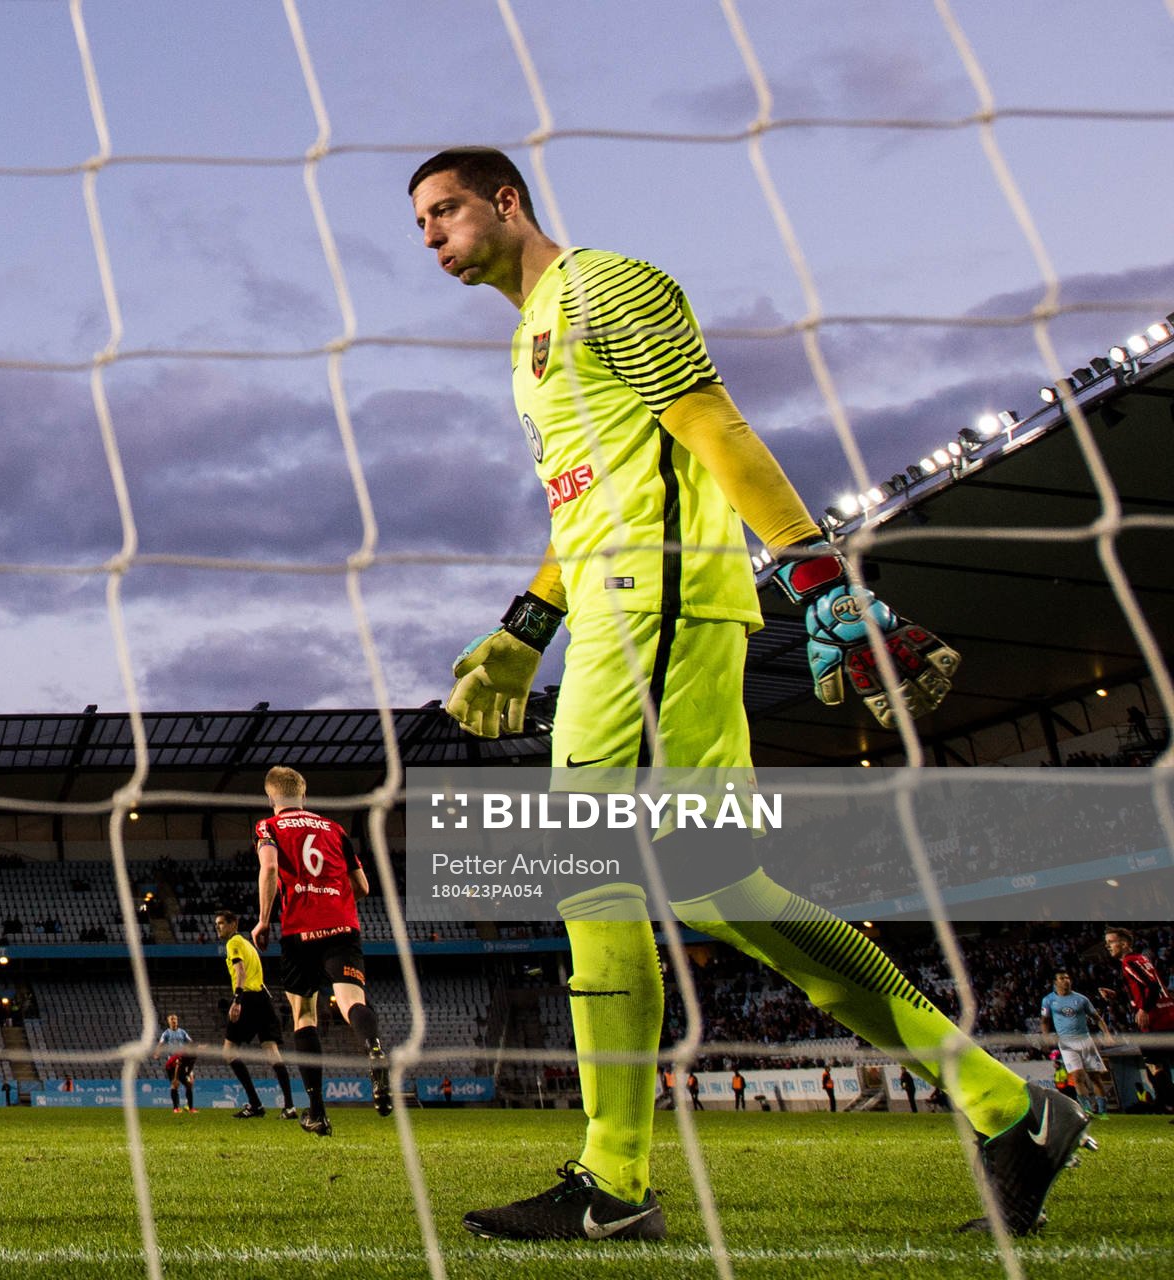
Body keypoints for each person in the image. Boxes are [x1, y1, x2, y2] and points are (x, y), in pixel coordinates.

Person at [410, 146, 1088, 1242]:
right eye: (421, 227)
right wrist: (521, 631)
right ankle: (1010, 1105)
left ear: (507, 200)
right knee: (724, 886)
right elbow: (584, 511)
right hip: (618, 609)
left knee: (590, 874)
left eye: (445, 212)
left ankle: (614, 1177)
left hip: (658, 604)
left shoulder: (607, 284)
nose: (433, 238)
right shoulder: (527, 348)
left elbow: (713, 423)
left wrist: (817, 575)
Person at [252, 765, 390, 1138]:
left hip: (299, 930)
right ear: (304, 795)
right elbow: (361, 885)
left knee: (304, 1015)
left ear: (271, 797)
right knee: (351, 1003)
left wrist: (264, 920)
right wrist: (335, 899)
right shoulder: (335, 829)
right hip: (342, 927)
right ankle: (374, 1048)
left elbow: (268, 868)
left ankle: (317, 1112)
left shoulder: (269, 827)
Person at [213, 910, 297, 1120]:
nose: (218, 928)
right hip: (263, 998)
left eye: (221, 923)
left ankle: (256, 1104)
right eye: (217, 924)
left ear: (234, 924)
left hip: (248, 998)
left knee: (229, 1052)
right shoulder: (248, 944)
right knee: (272, 1052)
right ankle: (289, 1107)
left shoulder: (233, 943)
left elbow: (240, 971)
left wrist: (237, 1000)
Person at [1100, 925, 1174, 1112]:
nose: (1108, 946)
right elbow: (1147, 987)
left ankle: (1167, 1105)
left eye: (1111, 942)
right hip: (1168, 1014)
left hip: (1155, 1021)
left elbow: (1151, 986)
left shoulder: (1129, 962)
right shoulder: (1142, 959)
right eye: (1107, 943)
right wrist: (1118, 995)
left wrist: (1144, 1010)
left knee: (1154, 1066)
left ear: (1124, 944)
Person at [1042, 971, 1113, 1116]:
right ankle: (1086, 1111)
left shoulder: (1081, 999)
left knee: (1095, 1077)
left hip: (1085, 1040)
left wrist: (1107, 1034)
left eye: (1068, 978)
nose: (1066, 980)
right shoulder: (1048, 1000)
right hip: (1066, 1043)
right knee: (1077, 1077)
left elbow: (1097, 1017)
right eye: (1062, 978)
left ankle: (1103, 1111)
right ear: (1055, 982)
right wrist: (1045, 1037)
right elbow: (1044, 1021)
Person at [156, 1014, 197, 1113]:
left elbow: (190, 1042)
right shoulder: (166, 1033)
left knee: (189, 1084)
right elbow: (161, 1044)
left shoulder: (182, 1032)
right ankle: (176, 1108)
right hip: (172, 1063)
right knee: (175, 1084)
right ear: (168, 1021)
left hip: (182, 1061)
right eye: (172, 1019)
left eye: (175, 1019)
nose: (174, 1021)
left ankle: (189, 1107)